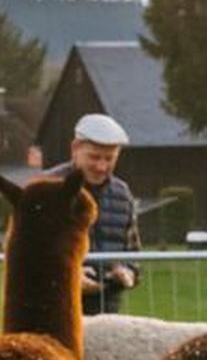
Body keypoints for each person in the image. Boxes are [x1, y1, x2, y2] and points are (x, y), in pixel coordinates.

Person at [46, 112, 143, 317]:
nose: (102, 166)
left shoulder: (123, 195)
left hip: (107, 315)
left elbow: (133, 253)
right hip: (53, 313)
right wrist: (67, 277)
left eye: (110, 158)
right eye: (94, 157)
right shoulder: (45, 189)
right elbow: (24, 255)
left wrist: (127, 272)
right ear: (75, 149)